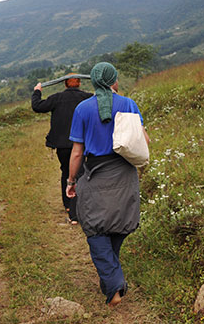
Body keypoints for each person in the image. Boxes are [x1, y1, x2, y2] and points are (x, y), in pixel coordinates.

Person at [66, 62, 149, 307]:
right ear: (114, 80)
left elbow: (77, 152)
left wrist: (71, 181)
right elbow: (142, 139)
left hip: (95, 174)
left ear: (93, 81)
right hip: (124, 173)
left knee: (94, 228)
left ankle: (114, 285)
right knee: (117, 225)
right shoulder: (129, 104)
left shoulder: (82, 109)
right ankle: (111, 278)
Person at [32, 75, 92, 224]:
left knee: (67, 171)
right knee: (80, 173)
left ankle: (68, 206)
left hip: (62, 145)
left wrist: (37, 91)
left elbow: (37, 106)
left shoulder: (56, 98)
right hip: (81, 143)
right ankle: (76, 211)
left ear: (65, 84)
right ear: (78, 84)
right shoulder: (87, 98)